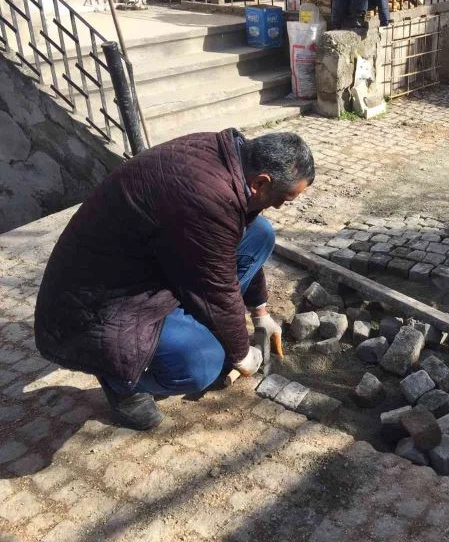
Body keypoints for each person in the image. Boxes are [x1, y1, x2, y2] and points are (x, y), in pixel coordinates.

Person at [34, 129, 314, 430]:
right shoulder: (209, 198)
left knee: (261, 234)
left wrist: (259, 311)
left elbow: (237, 238)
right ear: (260, 183)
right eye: (283, 198)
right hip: (100, 305)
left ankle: (189, 331)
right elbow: (218, 289)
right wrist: (241, 355)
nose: (279, 206)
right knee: (202, 364)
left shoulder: (232, 160)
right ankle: (120, 381)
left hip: (150, 265)